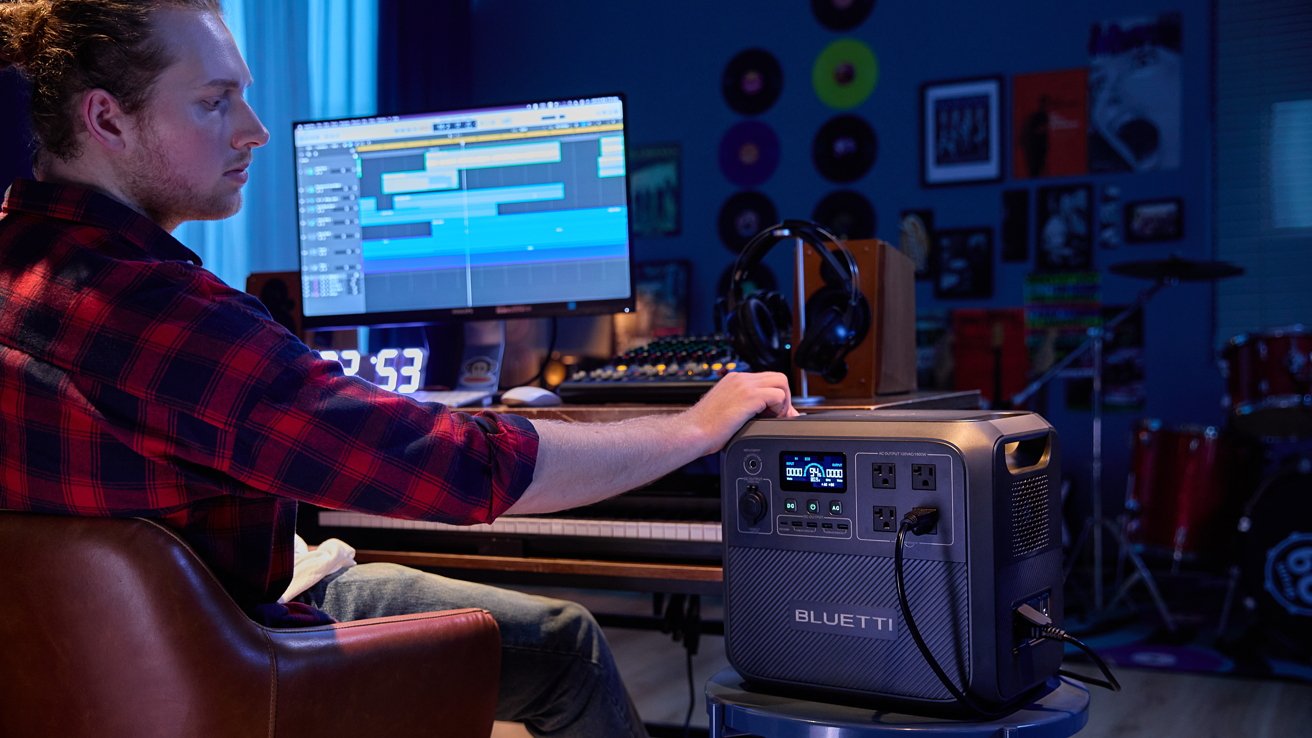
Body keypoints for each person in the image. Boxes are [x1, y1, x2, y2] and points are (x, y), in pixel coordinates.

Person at [0, 2, 798, 736]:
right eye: (214, 101)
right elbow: (467, 469)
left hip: (71, 678)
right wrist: (695, 427)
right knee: (567, 647)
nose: (255, 129)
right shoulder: (171, 324)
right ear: (105, 117)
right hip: (235, 663)